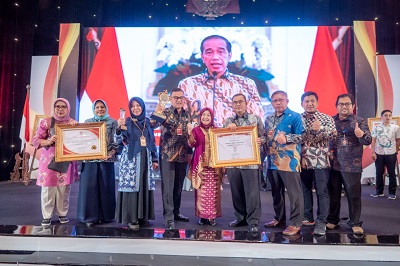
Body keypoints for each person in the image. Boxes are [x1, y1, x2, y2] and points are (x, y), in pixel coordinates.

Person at [178, 35, 264, 127]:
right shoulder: (186, 85)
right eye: (209, 52)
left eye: (221, 52)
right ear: (202, 57)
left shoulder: (247, 84)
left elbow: (257, 121)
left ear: (229, 55)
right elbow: (179, 120)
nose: (215, 57)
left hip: (235, 140)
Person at [327, 93, 372, 235]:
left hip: (352, 165)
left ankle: (355, 222)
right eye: (341, 104)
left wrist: (361, 135)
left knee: (353, 195)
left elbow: (368, 140)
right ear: (336, 106)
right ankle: (333, 220)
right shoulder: (330, 120)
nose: (344, 106)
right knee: (333, 194)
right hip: (333, 164)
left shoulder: (359, 121)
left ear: (352, 106)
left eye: (347, 104)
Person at [32, 98, 78, 226]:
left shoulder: (72, 123)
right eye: (57, 106)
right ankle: (47, 216)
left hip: (65, 160)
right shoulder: (46, 122)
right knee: (48, 189)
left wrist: (77, 129)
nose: (60, 109)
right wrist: (48, 141)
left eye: (63, 106)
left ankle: (63, 214)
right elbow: (35, 140)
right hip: (48, 162)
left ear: (68, 108)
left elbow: (79, 141)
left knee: (64, 188)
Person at [264, 90, 304, 236]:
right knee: (276, 193)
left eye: (281, 100)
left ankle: (295, 223)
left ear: (287, 101)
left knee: (294, 194)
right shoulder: (269, 119)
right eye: (275, 100)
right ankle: (279, 219)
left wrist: (287, 138)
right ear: (272, 103)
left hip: (289, 161)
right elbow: (267, 138)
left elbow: (303, 136)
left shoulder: (295, 117)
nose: (278, 103)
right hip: (273, 161)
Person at [223, 93, 265, 233]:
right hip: (233, 163)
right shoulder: (228, 122)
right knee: (236, 192)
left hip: (250, 163)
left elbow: (263, 136)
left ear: (246, 103)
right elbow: (222, 140)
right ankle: (240, 218)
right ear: (232, 105)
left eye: (240, 102)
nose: (238, 104)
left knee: (252, 193)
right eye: (235, 102)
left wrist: (261, 140)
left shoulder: (255, 119)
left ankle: (253, 221)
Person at [115, 97, 159, 229]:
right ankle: (132, 218)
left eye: (138, 105)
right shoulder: (126, 122)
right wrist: (118, 128)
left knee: (144, 186)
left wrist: (155, 158)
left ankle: (142, 216)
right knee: (132, 187)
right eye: (133, 106)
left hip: (145, 158)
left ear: (142, 107)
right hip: (131, 159)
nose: (136, 108)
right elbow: (118, 139)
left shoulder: (147, 122)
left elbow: (151, 141)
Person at [154, 88, 193, 230]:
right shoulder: (164, 112)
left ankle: (176, 212)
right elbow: (152, 124)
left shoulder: (188, 115)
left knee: (178, 187)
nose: (178, 100)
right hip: (167, 155)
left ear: (184, 99)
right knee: (168, 188)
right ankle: (168, 217)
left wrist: (189, 153)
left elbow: (189, 136)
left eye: (181, 98)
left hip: (182, 155)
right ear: (170, 99)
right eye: (175, 97)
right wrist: (157, 111)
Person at [300, 91, 337, 235]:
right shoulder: (298, 118)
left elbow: (333, 134)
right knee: (305, 189)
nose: (309, 103)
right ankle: (307, 217)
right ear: (302, 104)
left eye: (312, 101)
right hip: (303, 160)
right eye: (306, 101)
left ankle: (322, 221)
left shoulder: (326, 118)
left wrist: (320, 129)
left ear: (317, 103)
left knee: (322, 191)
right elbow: (298, 137)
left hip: (321, 160)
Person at [77, 99, 118, 227]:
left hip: (107, 160)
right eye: (97, 107)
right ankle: (89, 217)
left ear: (106, 108)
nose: (100, 109)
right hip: (89, 160)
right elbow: (82, 140)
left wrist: (111, 153)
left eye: (102, 107)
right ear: (93, 109)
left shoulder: (113, 122)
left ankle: (106, 216)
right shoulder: (88, 123)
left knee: (106, 188)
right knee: (89, 189)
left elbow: (117, 140)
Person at [188, 107, 223, 226]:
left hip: (214, 167)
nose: (206, 117)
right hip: (200, 165)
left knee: (213, 192)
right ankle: (202, 216)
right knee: (201, 191)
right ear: (200, 117)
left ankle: (212, 216)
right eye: (203, 115)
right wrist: (190, 133)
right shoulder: (196, 130)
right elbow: (192, 144)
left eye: (208, 115)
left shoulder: (217, 130)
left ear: (212, 117)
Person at [370, 109, 400, 200]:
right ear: (381, 117)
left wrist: (396, 150)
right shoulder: (376, 127)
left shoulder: (396, 127)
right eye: (385, 115)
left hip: (391, 153)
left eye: (389, 115)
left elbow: (398, 140)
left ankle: (392, 192)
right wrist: (373, 152)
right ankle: (379, 191)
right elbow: (373, 140)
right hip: (379, 153)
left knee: (391, 173)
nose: (388, 117)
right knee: (379, 173)